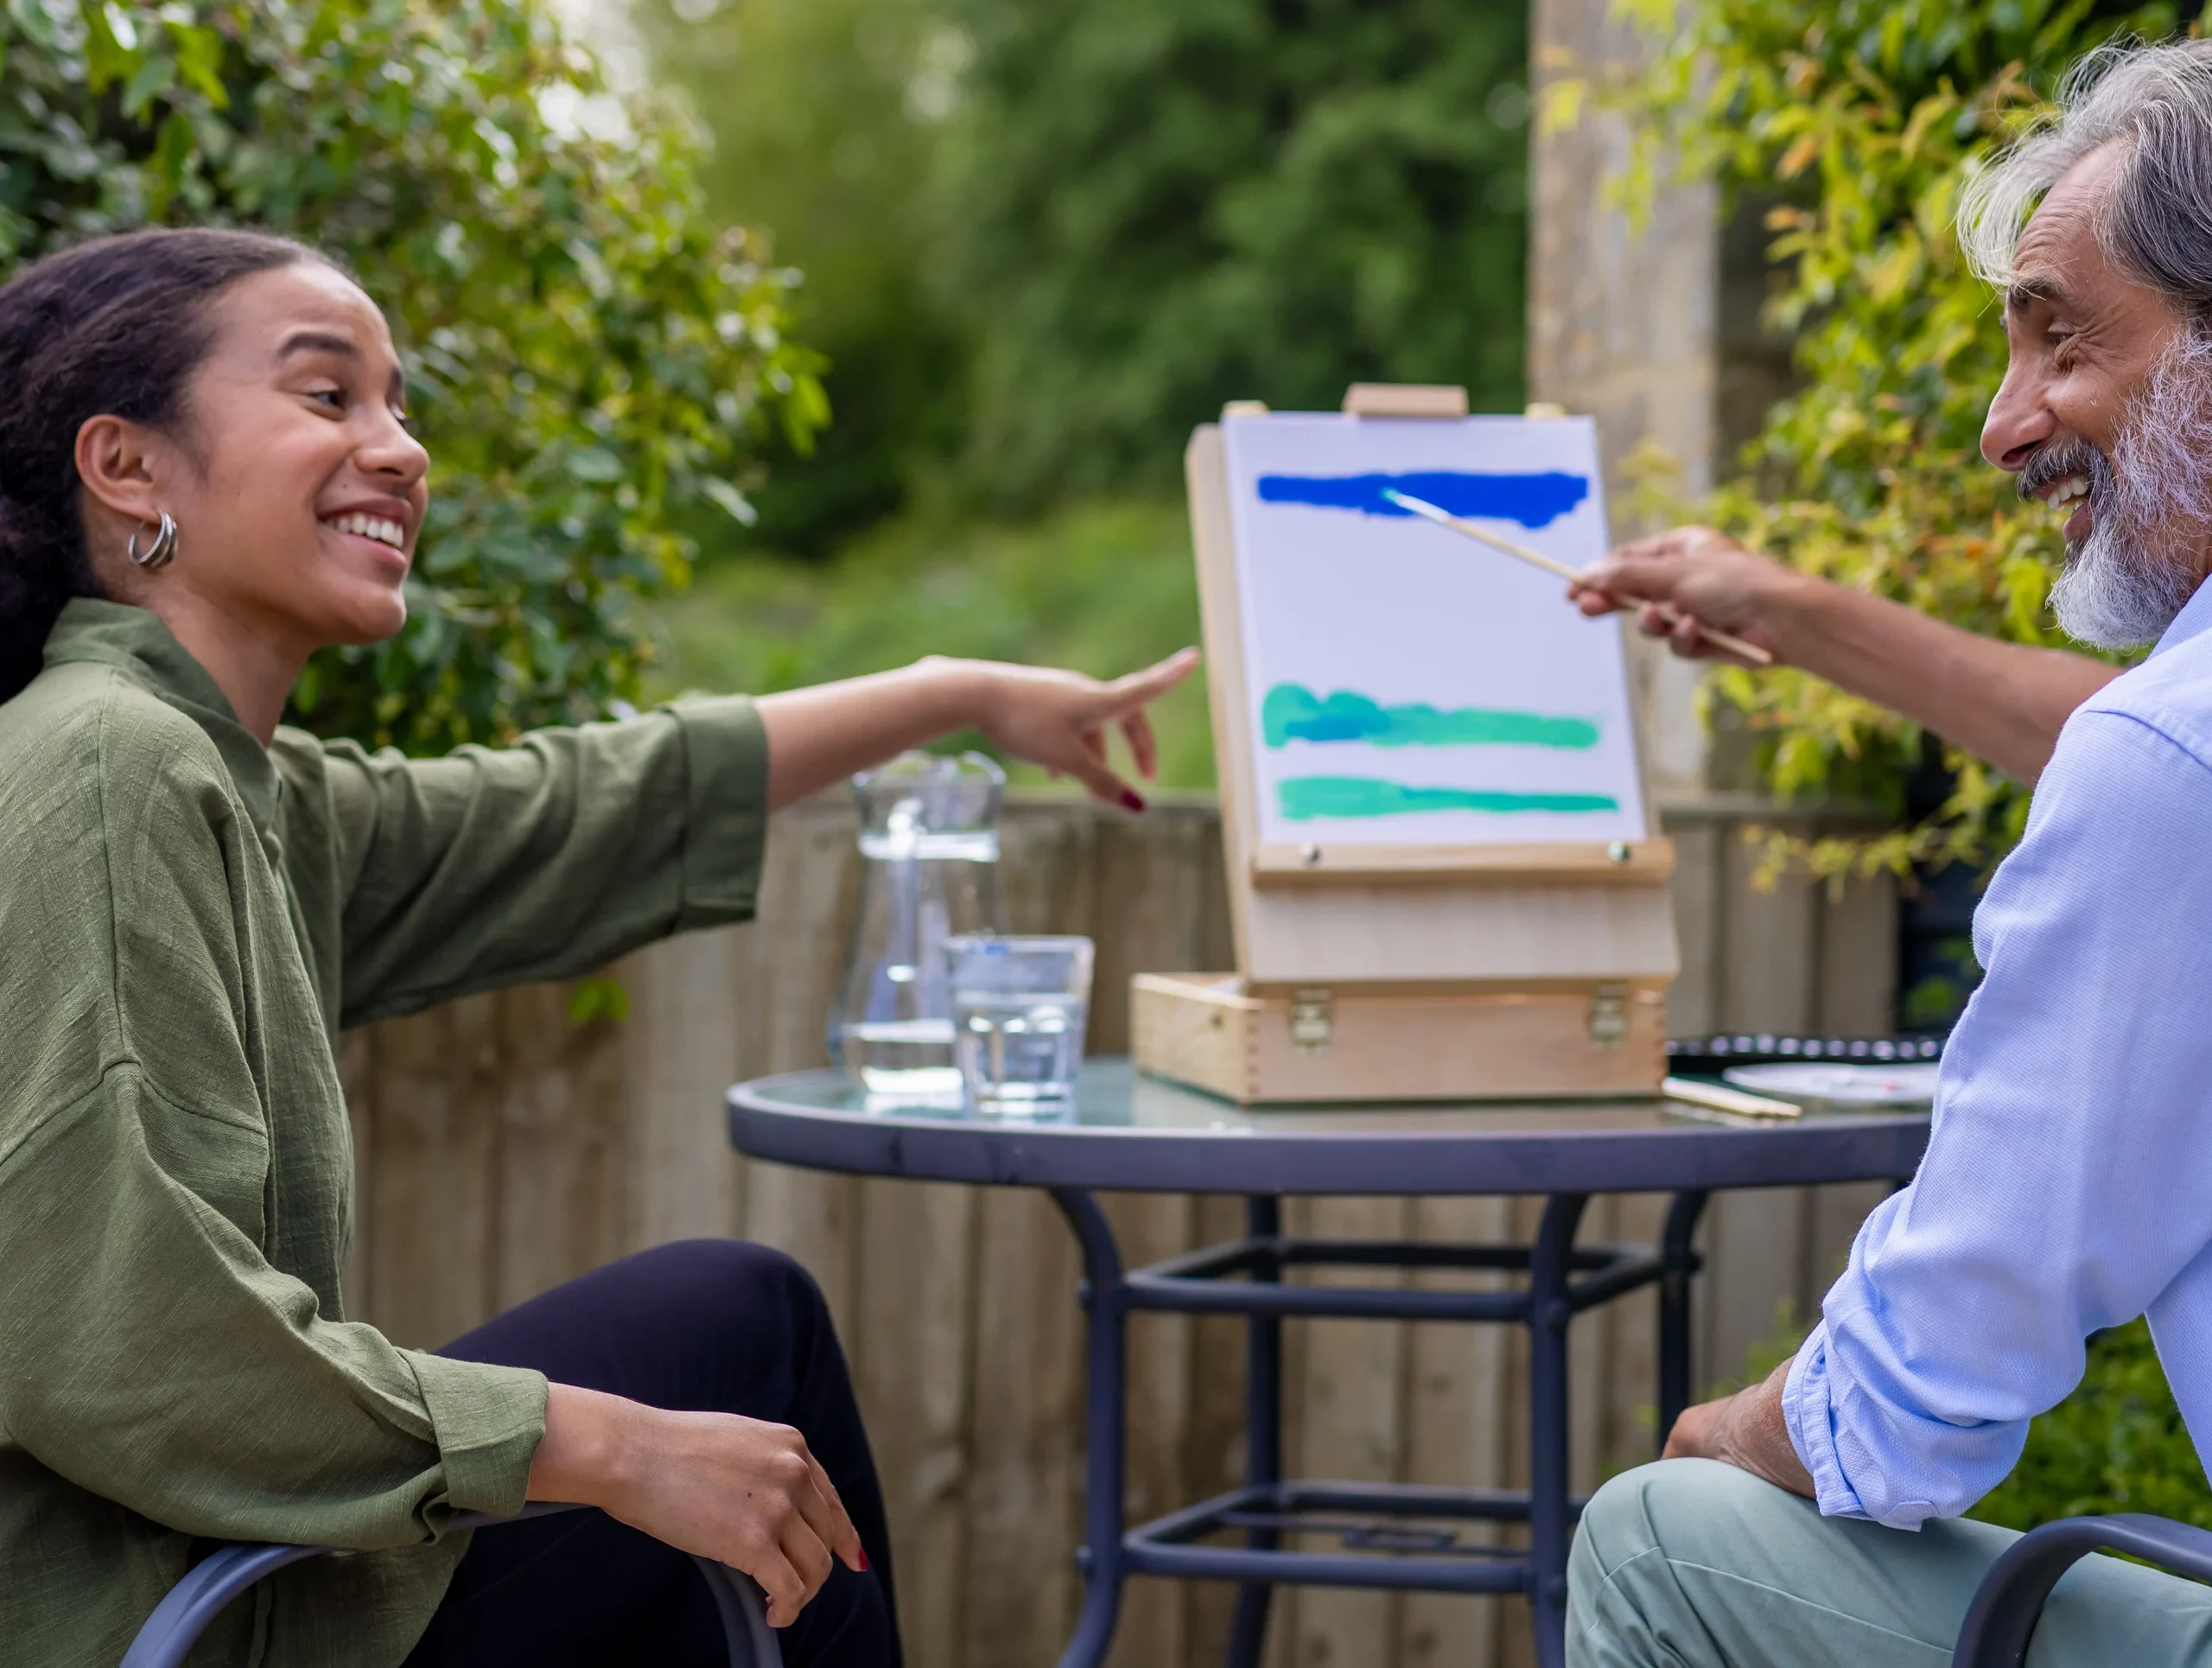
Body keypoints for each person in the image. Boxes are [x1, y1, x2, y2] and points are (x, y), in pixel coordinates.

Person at [0, 226, 1196, 1668]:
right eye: (329, 397)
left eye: (398, 403)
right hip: (166, 1628)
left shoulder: (240, 789)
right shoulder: (109, 768)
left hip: (238, 1587)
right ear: (126, 466)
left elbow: (585, 812)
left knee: (730, 1448)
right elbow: (120, 1341)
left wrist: (954, 689)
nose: (400, 449)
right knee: (737, 1333)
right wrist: (598, 1444)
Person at [1568, 37, 2212, 1668]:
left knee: (1658, 1538)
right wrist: (1786, 606)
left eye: (2057, 338)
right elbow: (2143, 748)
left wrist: (1735, 1430)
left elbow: (1940, 1358)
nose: (2005, 427)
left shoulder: (2174, 763)